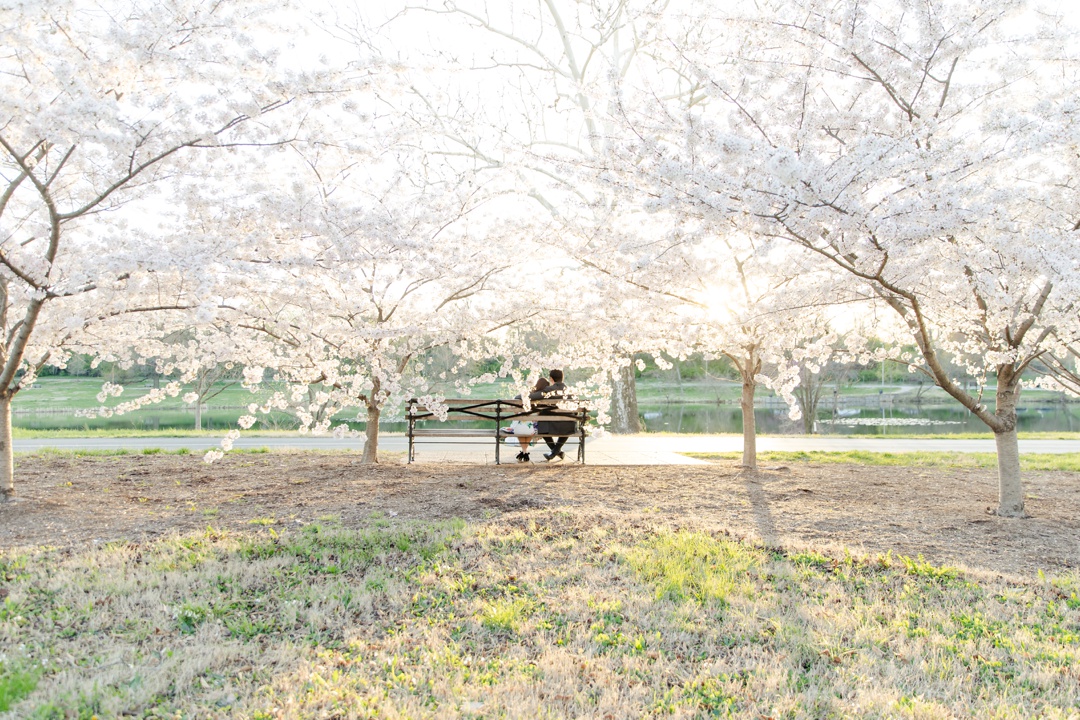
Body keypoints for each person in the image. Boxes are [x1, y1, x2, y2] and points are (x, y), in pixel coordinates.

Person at [529, 369, 576, 461]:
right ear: (563, 378)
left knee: (542, 425)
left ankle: (555, 452)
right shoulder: (571, 391)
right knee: (567, 423)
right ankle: (556, 451)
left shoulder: (549, 390)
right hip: (568, 425)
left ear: (551, 379)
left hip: (550, 426)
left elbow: (530, 397)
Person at [509, 377, 549, 463]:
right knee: (529, 426)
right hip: (533, 427)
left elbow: (515, 410)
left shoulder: (529, 394)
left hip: (519, 427)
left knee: (522, 425)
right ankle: (525, 452)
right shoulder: (544, 397)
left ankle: (524, 452)